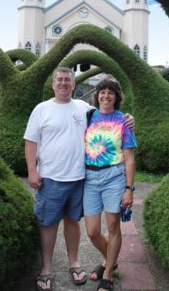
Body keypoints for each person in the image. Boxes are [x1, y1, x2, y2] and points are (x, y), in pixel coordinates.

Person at [23, 67, 134, 291]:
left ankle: (80, 264)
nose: (63, 83)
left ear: (74, 85)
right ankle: (46, 269)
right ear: (53, 84)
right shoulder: (42, 109)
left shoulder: (85, 109)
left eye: (67, 80)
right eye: (60, 80)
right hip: (51, 178)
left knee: (75, 222)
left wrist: (129, 118)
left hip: (80, 178)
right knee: (51, 224)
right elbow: (30, 141)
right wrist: (32, 171)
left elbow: (109, 111)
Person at [83, 79, 136, 291]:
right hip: (90, 178)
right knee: (92, 231)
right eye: (102, 92)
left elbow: (130, 158)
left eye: (110, 92)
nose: (106, 96)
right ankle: (111, 260)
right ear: (97, 95)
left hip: (114, 177)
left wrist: (129, 189)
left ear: (116, 96)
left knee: (113, 226)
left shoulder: (123, 121)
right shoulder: (88, 117)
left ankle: (107, 274)